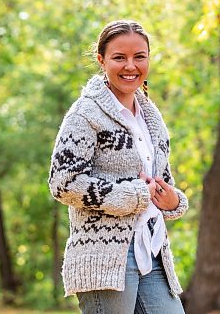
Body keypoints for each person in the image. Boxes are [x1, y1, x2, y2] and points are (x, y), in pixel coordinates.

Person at [48, 20, 188, 314]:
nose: (130, 66)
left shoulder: (152, 118)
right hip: (105, 256)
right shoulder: (85, 113)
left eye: (139, 56)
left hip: (152, 251)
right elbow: (62, 182)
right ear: (101, 60)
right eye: (119, 57)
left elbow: (160, 181)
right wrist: (133, 195)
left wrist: (174, 200)